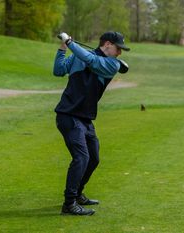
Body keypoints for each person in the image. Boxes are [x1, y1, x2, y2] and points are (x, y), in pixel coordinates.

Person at [53, 31, 130, 215]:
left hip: (85, 118)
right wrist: (63, 47)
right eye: (118, 48)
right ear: (108, 44)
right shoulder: (78, 56)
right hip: (68, 114)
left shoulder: (111, 64)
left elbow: (92, 61)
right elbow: (58, 70)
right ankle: (69, 203)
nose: (120, 53)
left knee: (93, 158)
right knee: (81, 157)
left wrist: (70, 42)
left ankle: (78, 194)